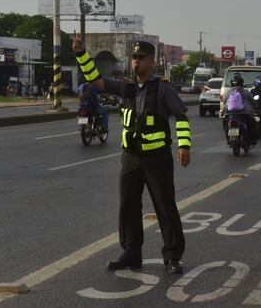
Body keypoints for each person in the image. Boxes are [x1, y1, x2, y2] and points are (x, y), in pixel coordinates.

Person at [72, 35, 192, 274]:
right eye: (134, 58)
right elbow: (94, 80)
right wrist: (81, 54)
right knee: (128, 205)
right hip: (131, 158)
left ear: (152, 62)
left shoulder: (163, 89)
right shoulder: (125, 87)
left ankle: (173, 256)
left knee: (165, 206)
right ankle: (131, 252)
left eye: (141, 58)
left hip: (157, 158)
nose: (136, 62)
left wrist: (184, 146)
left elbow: (181, 117)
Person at [224, 73, 258, 145]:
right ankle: (252, 140)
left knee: (226, 124)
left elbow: (224, 101)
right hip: (244, 113)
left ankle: (228, 139)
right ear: (241, 83)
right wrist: (255, 107)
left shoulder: (228, 92)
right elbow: (252, 101)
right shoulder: (246, 92)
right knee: (252, 123)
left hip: (229, 113)